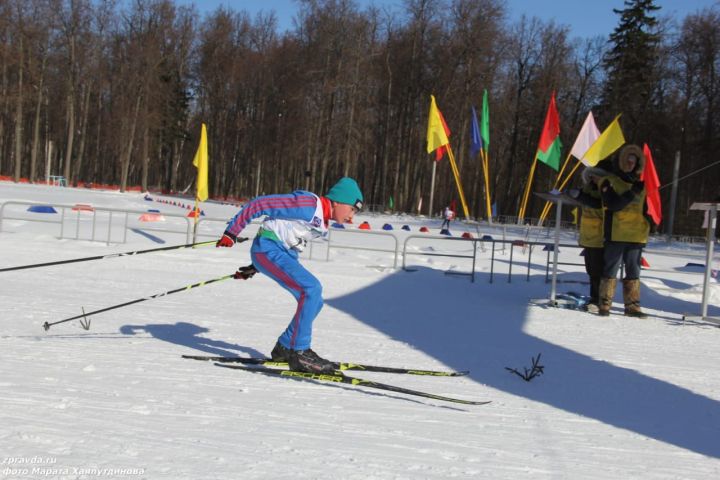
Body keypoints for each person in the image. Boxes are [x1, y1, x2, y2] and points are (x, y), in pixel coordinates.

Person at [216, 177, 364, 373]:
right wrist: (232, 232)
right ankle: (300, 351)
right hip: (268, 249)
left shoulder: (322, 220)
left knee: (315, 300)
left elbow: (286, 235)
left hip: (277, 254)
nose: (352, 216)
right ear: (337, 201)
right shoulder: (309, 204)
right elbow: (260, 203)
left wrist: (256, 267)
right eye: (352, 209)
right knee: (310, 289)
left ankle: (285, 347)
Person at [597, 144, 651, 318]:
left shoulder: (642, 185)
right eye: (627, 160)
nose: (630, 163)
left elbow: (646, 209)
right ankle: (604, 304)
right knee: (611, 269)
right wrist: (631, 193)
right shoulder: (608, 181)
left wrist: (651, 222)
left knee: (634, 271)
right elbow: (613, 204)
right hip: (616, 233)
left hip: (636, 235)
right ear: (621, 161)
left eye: (633, 161)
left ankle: (632, 307)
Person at [567, 159, 613, 313]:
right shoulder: (587, 188)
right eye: (592, 176)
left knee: (598, 271)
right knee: (591, 270)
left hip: (600, 236)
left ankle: (598, 299)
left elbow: (598, 203)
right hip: (588, 235)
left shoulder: (606, 190)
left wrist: (580, 195)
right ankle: (594, 297)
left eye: (597, 176)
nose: (594, 179)